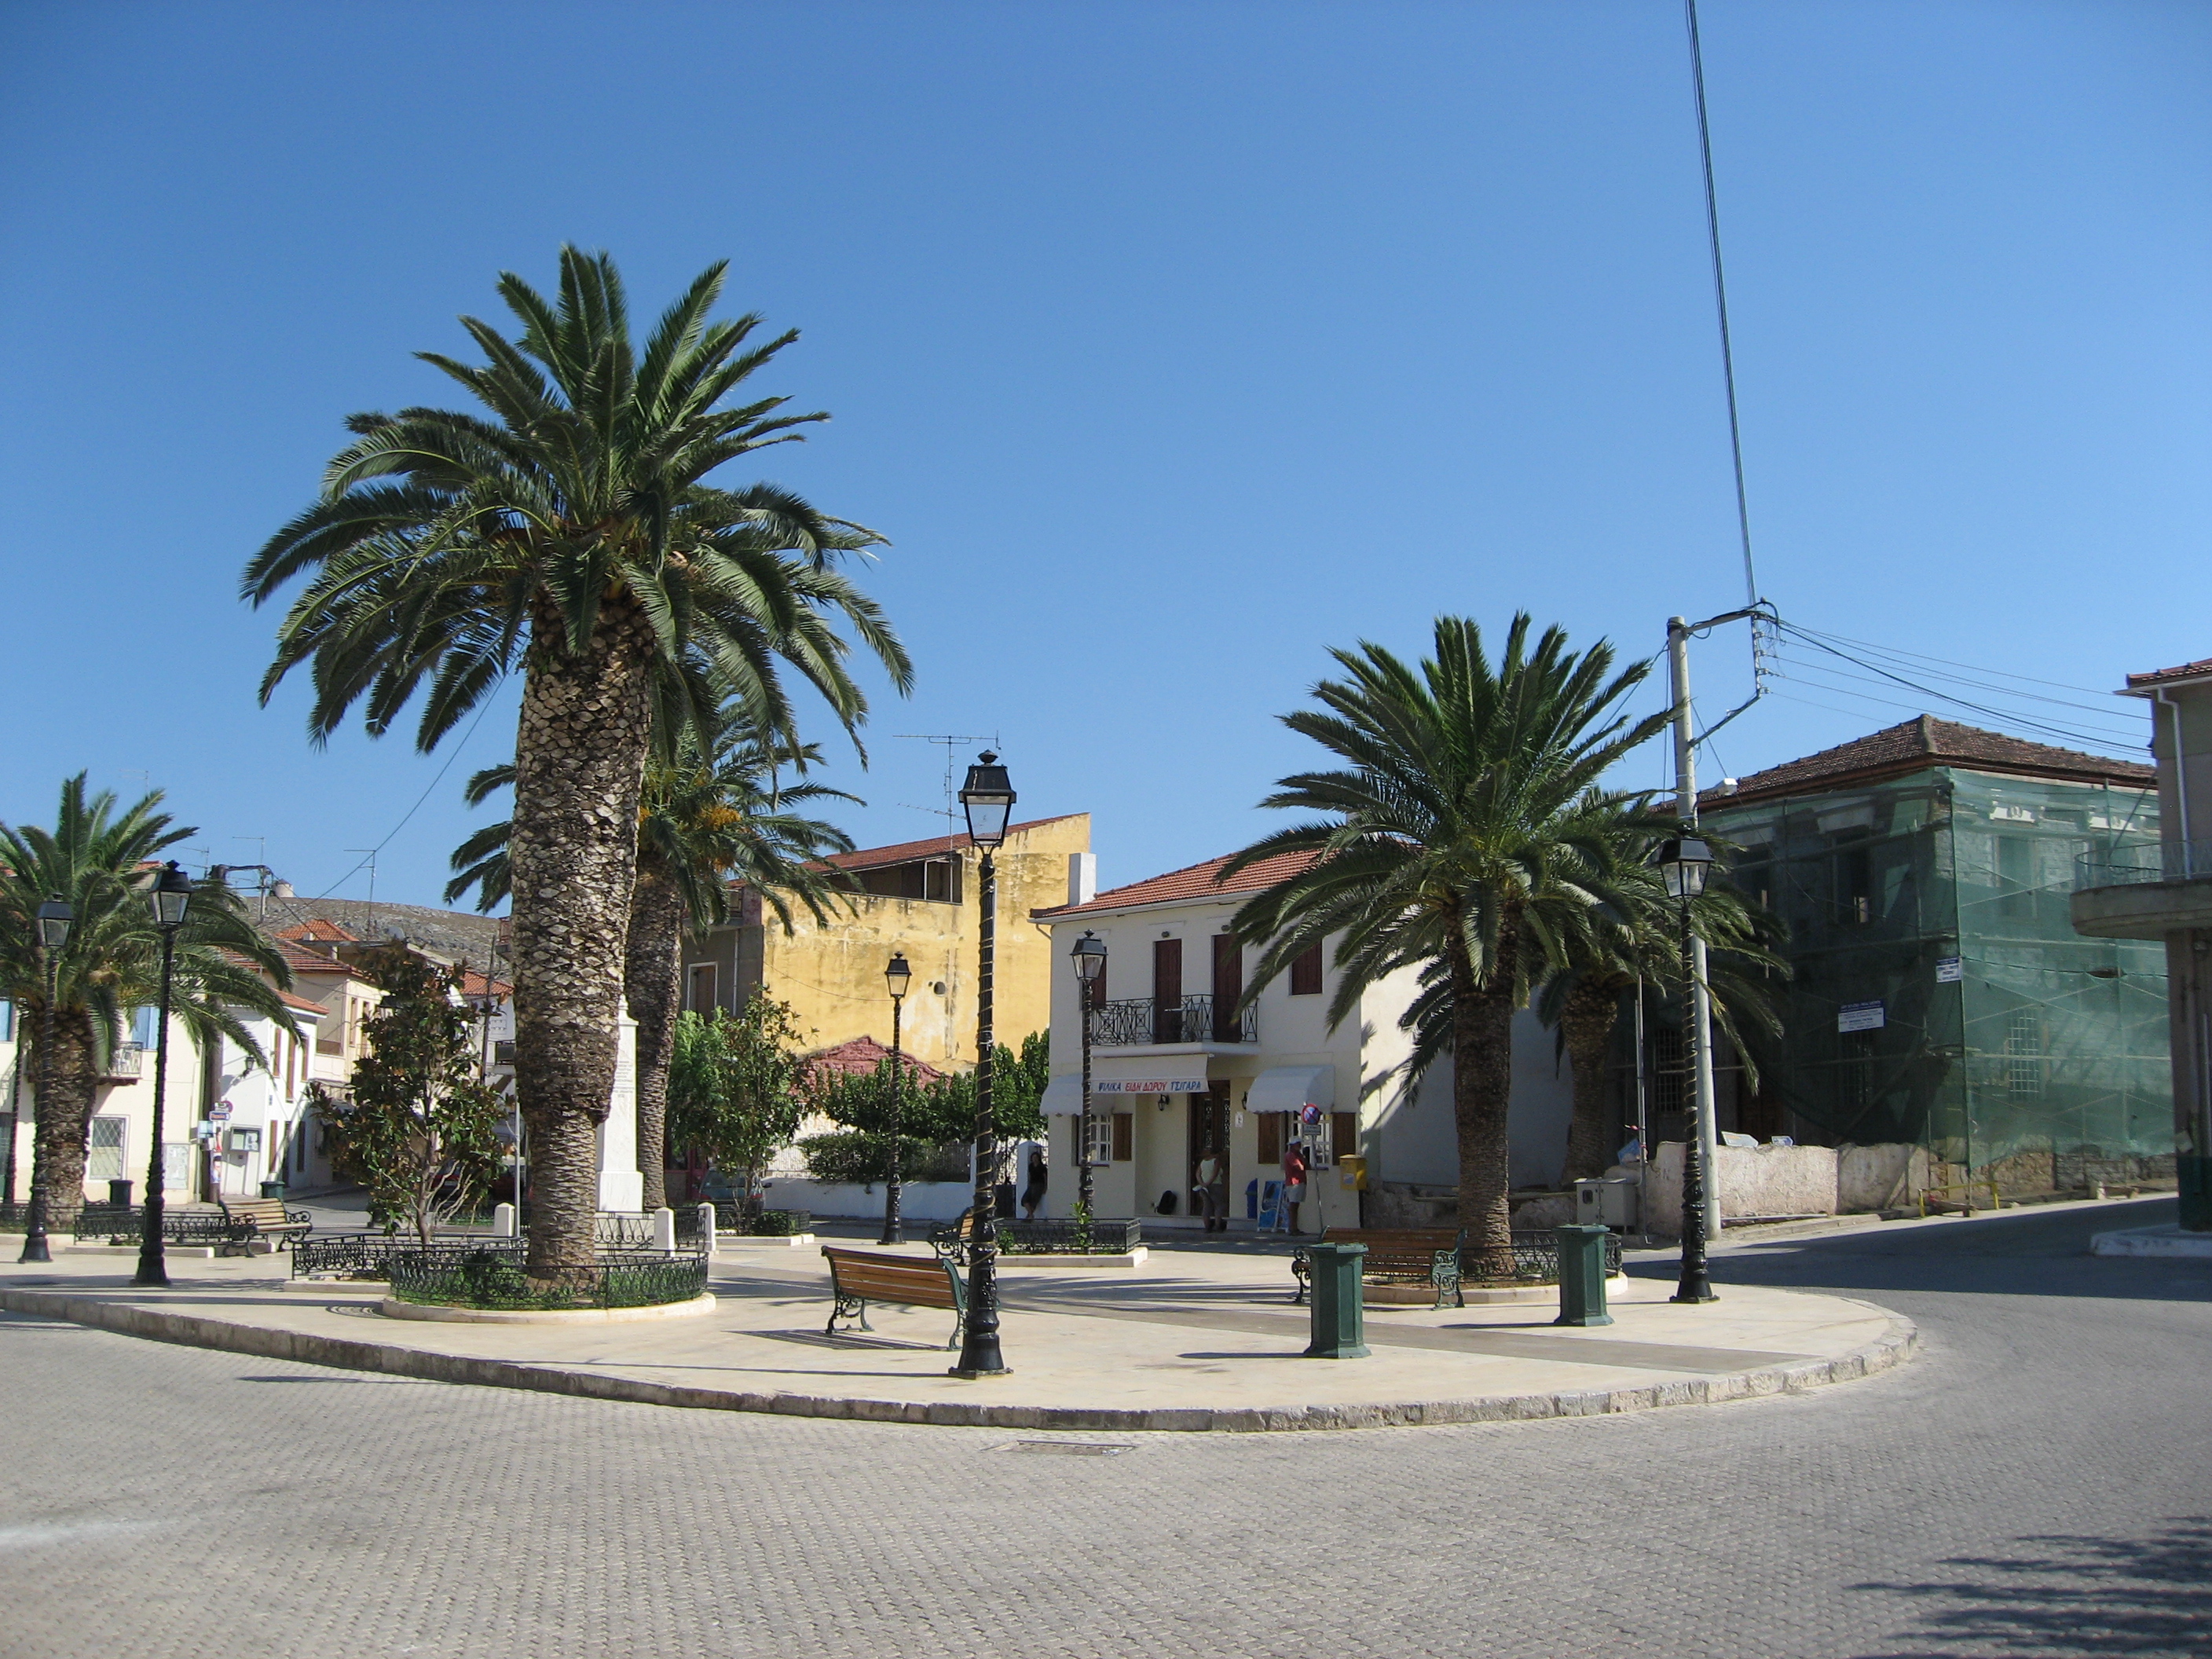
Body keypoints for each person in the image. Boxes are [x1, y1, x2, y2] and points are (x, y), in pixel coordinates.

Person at [1191, 1149, 1225, 1232]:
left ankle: (1207, 1227)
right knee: (1219, 1205)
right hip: (1215, 1185)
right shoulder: (1216, 1161)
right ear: (1217, 1154)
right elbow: (1215, 1174)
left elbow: (1198, 1174)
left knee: (1207, 1206)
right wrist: (1209, 1183)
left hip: (1203, 1187)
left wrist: (1202, 1183)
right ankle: (1217, 1226)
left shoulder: (1203, 1162)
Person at [1281, 1138, 1310, 1235]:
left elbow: (1307, 1165)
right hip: (1294, 1183)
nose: (1299, 1146)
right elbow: (1300, 1167)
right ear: (1292, 1145)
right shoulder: (1291, 1155)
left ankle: (1295, 1228)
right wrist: (1303, 1162)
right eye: (1297, 1144)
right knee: (1293, 1206)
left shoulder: (1299, 1155)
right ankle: (1292, 1228)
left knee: (1296, 1205)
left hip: (1300, 1181)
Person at [1020, 1141, 1049, 1221]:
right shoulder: (1031, 1166)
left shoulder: (1042, 1167)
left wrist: (1045, 1187)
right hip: (1032, 1185)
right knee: (1025, 1200)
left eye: (1036, 1158)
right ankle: (1031, 1215)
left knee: (1034, 1201)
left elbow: (1045, 1177)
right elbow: (1030, 1175)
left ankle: (1029, 1217)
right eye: (1033, 1158)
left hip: (1039, 1185)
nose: (1035, 1159)